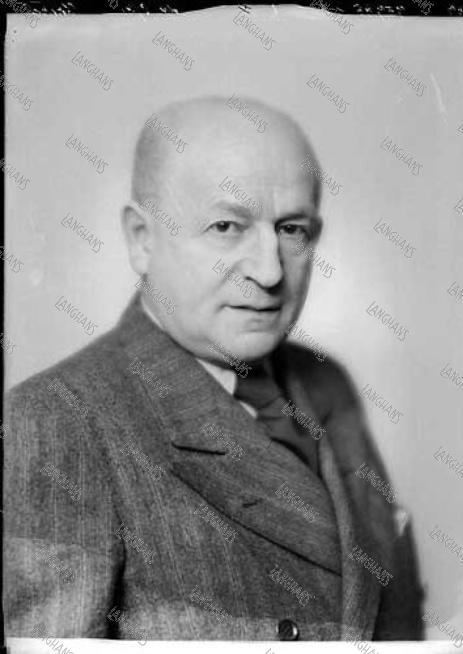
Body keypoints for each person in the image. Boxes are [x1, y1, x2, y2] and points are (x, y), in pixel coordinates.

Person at [4, 96, 423, 641]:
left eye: (292, 229)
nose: (270, 272)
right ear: (141, 240)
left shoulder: (328, 385)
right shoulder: (56, 422)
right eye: (227, 226)